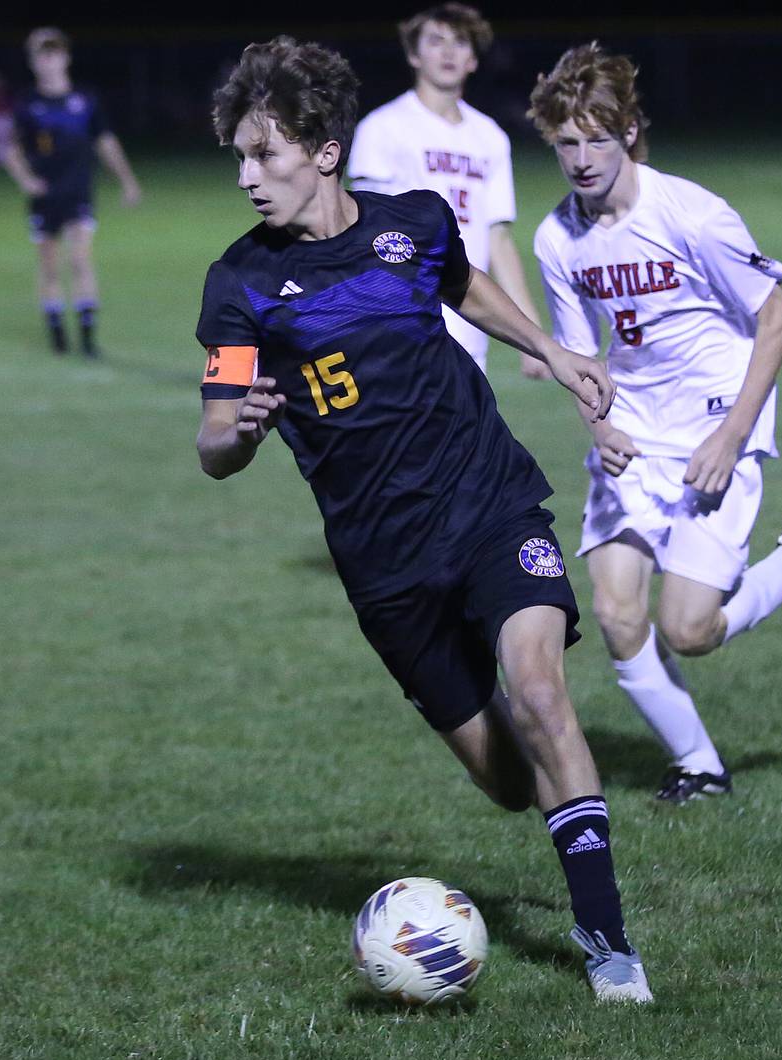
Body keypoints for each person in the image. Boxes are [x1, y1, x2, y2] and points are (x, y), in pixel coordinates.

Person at [195, 35, 652, 1002]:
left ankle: (611, 948)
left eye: (263, 154)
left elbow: (464, 284)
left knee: (540, 691)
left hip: (486, 501)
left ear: (323, 151)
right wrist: (238, 430)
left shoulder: (411, 224)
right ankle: (573, 802)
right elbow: (213, 444)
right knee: (504, 776)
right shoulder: (239, 286)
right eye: (238, 156)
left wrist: (553, 350)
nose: (246, 176)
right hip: (385, 566)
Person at [527, 43, 782, 804]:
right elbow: (577, 354)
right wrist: (596, 429)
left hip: (714, 425)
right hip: (634, 432)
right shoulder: (556, 238)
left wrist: (732, 436)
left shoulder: (692, 214)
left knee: (689, 631)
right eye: (565, 142)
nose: (579, 158)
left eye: (596, 138)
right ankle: (699, 764)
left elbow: (778, 317)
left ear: (630, 130)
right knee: (613, 610)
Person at [347, 3, 548, 381]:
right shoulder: (382, 128)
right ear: (413, 54)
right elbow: (361, 233)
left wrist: (531, 336)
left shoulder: (489, 137)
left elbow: (498, 239)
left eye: (460, 43)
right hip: (400, 322)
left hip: (471, 316)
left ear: (473, 59)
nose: (448, 51)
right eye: (436, 41)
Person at [4, 27, 142, 359]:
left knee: (79, 259)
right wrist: (27, 181)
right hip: (45, 198)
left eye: (54, 53)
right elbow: (11, 151)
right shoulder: (28, 104)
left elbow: (106, 142)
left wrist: (127, 180)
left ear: (65, 57)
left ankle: (88, 337)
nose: (49, 60)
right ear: (33, 61)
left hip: (78, 193)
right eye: (42, 54)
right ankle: (57, 335)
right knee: (50, 266)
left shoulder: (85, 101)